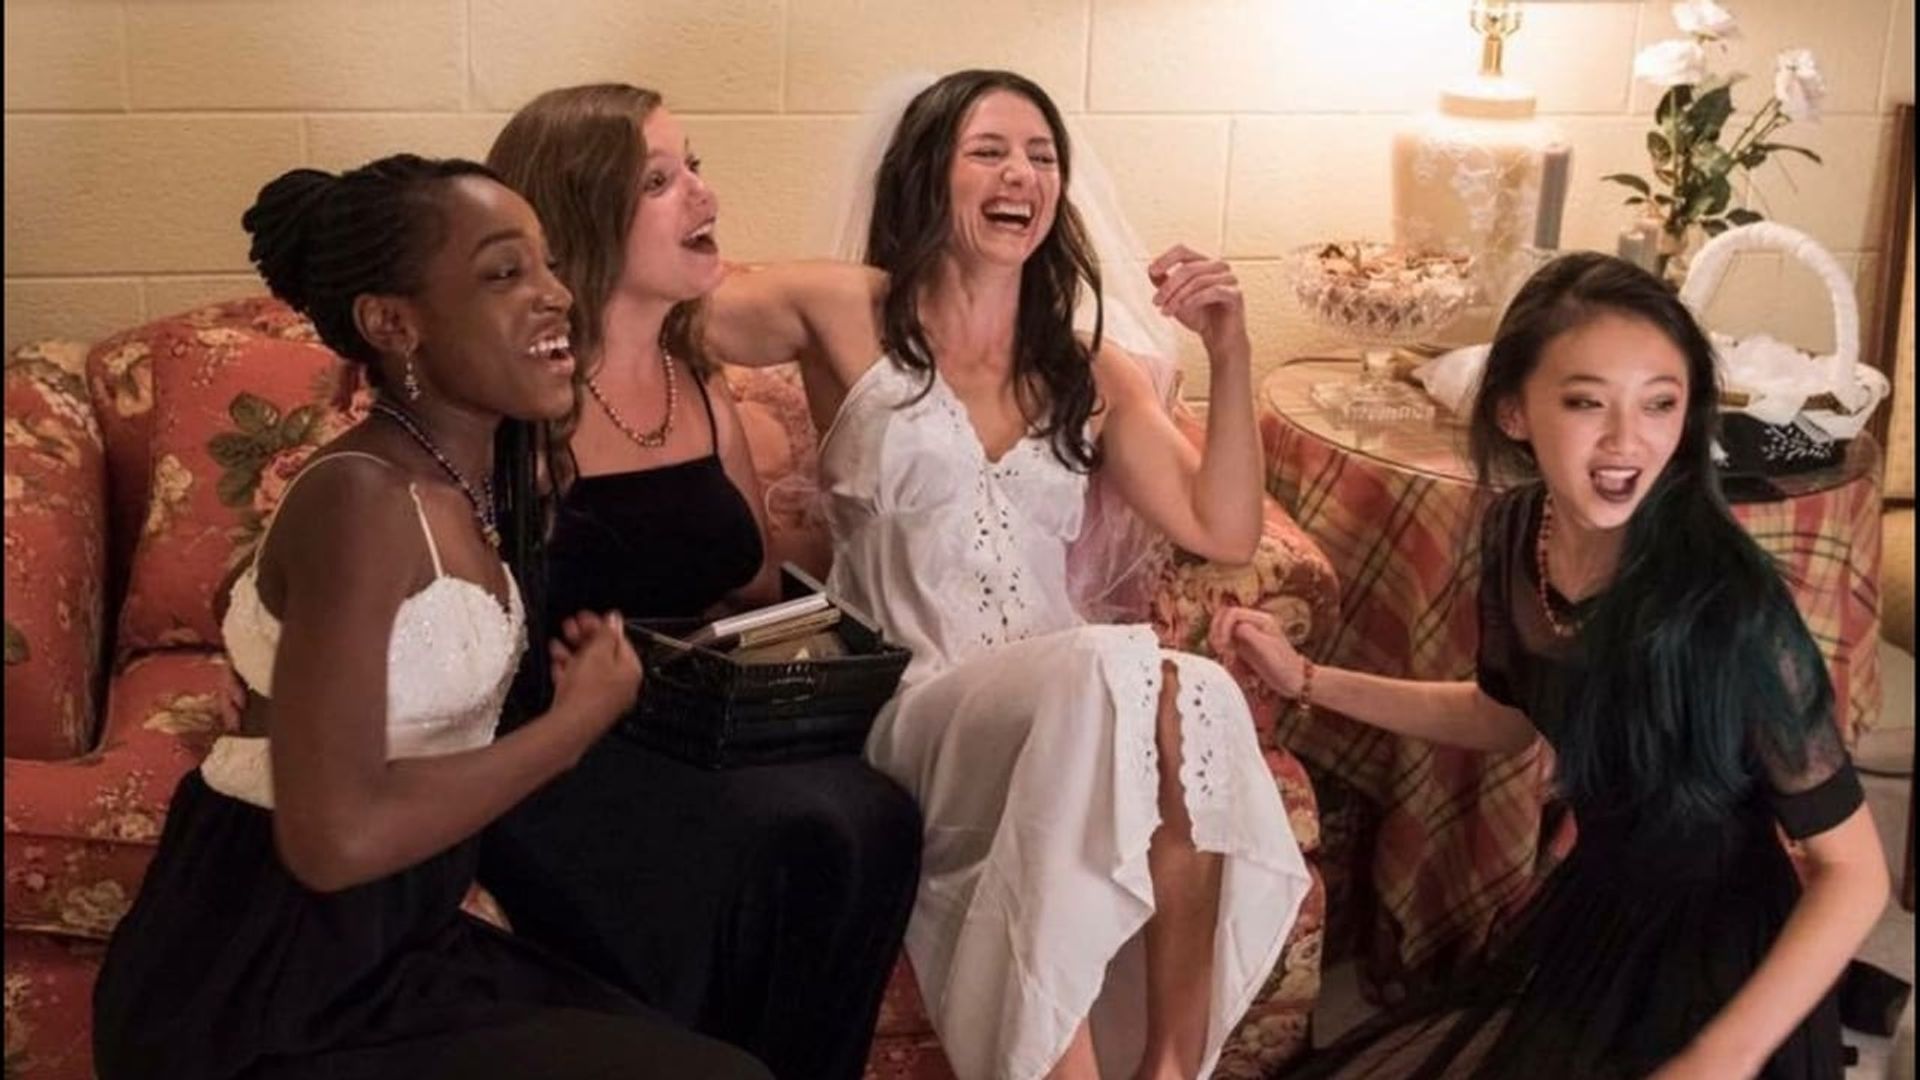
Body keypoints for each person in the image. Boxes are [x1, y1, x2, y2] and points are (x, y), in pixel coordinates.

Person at [90, 154, 770, 1080]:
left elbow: (263, 603)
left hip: (392, 941)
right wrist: (574, 726)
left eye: (547, 264)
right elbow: (332, 843)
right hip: (266, 982)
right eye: (504, 273)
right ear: (393, 323)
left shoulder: (462, 478)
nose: (556, 295)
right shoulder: (365, 498)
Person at [701, 69, 1313, 1080]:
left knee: (1195, 690)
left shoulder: (1087, 371)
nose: (1020, 174)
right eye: (988, 151)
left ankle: (1169, 1068)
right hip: (916, 701)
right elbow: (670, 308)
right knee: (1101, 681)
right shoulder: (847, 310)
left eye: (1040, 156)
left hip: (1071, 699)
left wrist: (1231, 349)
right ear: (925, 175)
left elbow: (1226, 527)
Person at [1212, 251, 1889, 1079]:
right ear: (1512, 411)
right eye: (1585, 402)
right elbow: (1504, 715)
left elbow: (1854, 874)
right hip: (1599, 909)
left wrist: (1721, 1057)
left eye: (1660, 404)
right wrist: (1309, 681)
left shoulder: (1729, 611)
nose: (1626, 441)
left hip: (1723, 961)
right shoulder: (1519, 531)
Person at [476, 84, 923, 1080]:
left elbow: (754, 581)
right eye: (659, 180)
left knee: (877, 812)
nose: (703, 194)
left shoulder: (701, 380)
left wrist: (870, 575)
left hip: (703, 712)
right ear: (582, 214)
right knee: (782, 832)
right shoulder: (515, 397)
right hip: (564, 738)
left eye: (695, 166)